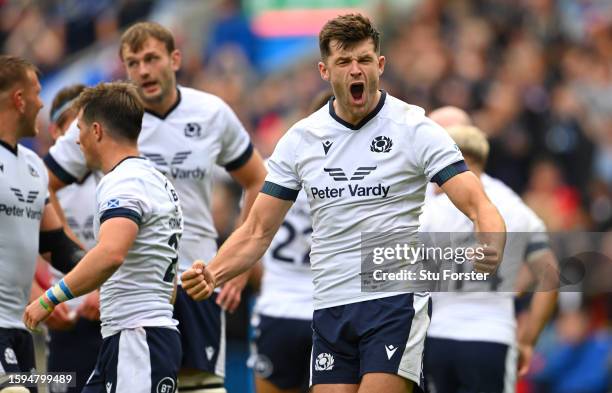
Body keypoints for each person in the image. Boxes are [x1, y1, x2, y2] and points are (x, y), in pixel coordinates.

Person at [182, 14, 506, 393]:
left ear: (380, 65)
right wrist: (214, 272)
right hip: (330, 303)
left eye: (365, 60)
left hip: (393, 300)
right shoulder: (301, 140)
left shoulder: (414, 128)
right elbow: (257, 230)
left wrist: (492, 242)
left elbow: (477, 202)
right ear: (324, 70)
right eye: (344, 62)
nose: (357, 71)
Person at [43, 22, 267, 392]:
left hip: (198, 278)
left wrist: (242, 264)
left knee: (202, 387)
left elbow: (257, 179)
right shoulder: (105, 120)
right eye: (133, 63)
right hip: (130, 292)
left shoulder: (211, 112)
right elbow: (42, 184)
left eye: (151, 58)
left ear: (175, 59)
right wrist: (81, 264)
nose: (143, 70)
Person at [23, 82, 184, 393]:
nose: (77, 142)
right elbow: (170, 285)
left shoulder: (123, 181)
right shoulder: (156, 180)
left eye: (79, 131)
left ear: (96, 131)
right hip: (133, 335)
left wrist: (49, 298)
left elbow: (111, 253)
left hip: (137, 338)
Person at [420, 121, 559, 393]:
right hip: (491, 336)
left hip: (437, 337)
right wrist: (528, 339)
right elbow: (550, 275)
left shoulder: (431, 207)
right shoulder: (512, 205)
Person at [0, 55, 84, 393]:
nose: (41, 102)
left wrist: (110, 266)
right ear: (19, 100)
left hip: (20, 329)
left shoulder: (34, 166)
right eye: (36, 93)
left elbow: (57, 246)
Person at [248, 92, 332, 393]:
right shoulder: (359, 176)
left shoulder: (271, 168)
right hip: (331, 311)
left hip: (277, 308)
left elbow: (249, 237)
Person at [44, 84, 103, 393]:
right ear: (56, 130)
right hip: (62, 322)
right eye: (73, 124)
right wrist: (41, 297)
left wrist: (104, 290)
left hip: (109, 317)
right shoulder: (36, 182)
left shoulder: (113, 178)